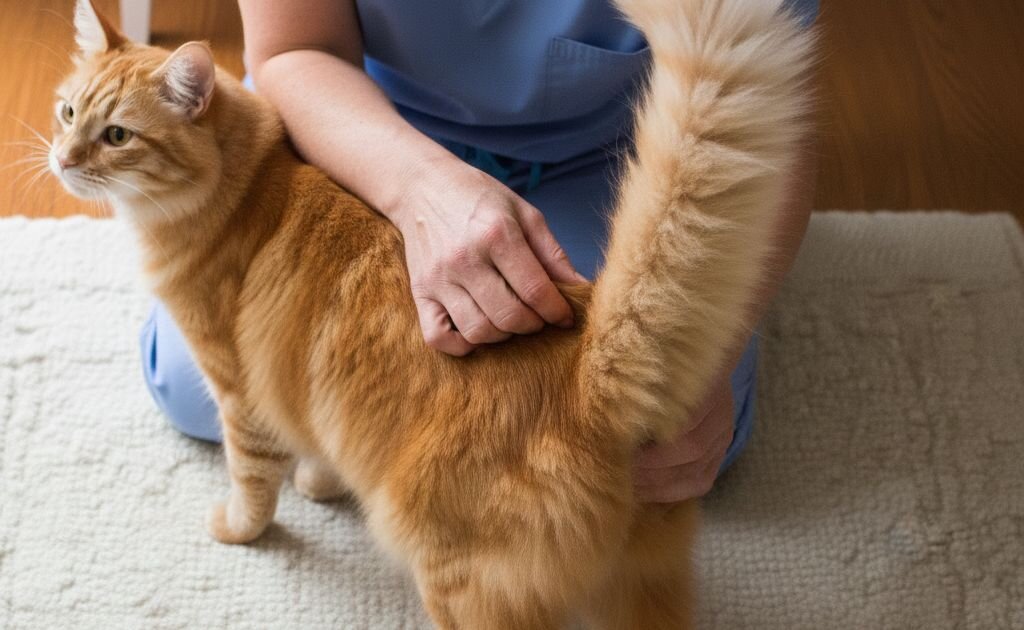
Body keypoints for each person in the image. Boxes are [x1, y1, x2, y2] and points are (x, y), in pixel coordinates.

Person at [140, 0, 819, 504]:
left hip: (624, 154)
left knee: (654, 436)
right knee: (203, 386)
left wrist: (715, 351)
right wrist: (420, 191)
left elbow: (766, 125)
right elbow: (292, 51)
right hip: (359, 118)